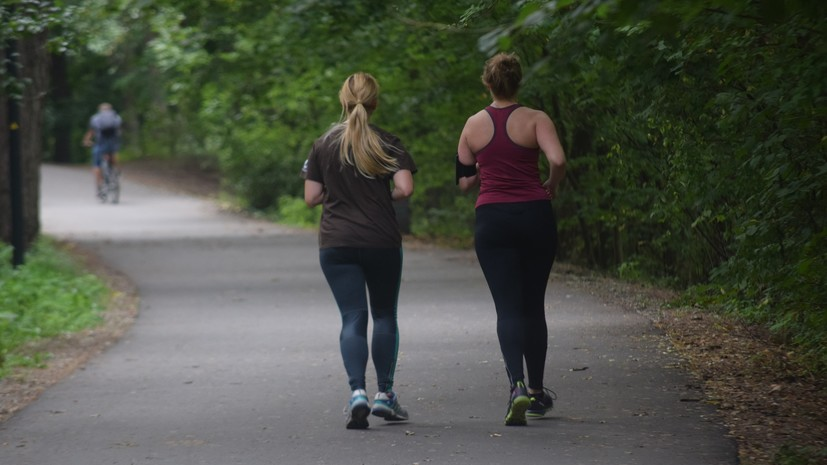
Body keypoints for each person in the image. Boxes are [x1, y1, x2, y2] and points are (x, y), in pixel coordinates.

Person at [455, 52, 566, 426]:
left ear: (487, 83)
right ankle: (536, 392)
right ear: (519, 81)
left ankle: (515, 386)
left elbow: (465, 180)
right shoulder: (537, 119)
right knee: (533, 304)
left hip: (493, 221)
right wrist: (550, 183)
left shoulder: (471, 125)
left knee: (507, 307)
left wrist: (483, 172)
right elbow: (559, 160)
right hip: (535, 216)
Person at [303, 72, 416, 430]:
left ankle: (357, 393)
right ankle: (385, 394)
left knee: (353, 318)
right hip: (381, 240)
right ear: (374, 102)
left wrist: (338, 193)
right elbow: (405, 188)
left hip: (337, 243)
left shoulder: (323, 143)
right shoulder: (388, 142)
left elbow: (311, 198)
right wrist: (381, 195)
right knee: (384, 315)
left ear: (343, 101)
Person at [82, 102, 122, 200]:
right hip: (113, 144)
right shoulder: (116, 118)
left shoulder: (95, 118)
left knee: (97, 165)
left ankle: (100, 187)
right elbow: (119, 131)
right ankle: (117, 172)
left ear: (100, 110)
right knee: (114, 156)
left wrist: (86, 141)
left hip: (100, 144)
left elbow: (91, 131)